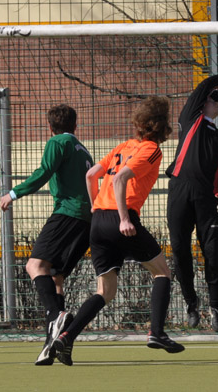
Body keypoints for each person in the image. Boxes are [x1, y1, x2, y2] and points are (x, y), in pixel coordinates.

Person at [51, 96, 183, 366]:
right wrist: (123, 218)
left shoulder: (123, 146)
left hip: (99, 220)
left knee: (106, 291)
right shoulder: (152, 150)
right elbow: (121, 178)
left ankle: (66, 337)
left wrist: (95, 207)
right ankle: (157, 333)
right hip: (119, 219)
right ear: (162, 126)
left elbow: (91, 175)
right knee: (162, 272)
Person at [0, 104, 93, 366]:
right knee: (56, 276)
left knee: (34, 265)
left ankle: (55, 315)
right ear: (76, 125)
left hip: (67, 213)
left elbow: (44, 172)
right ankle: (55, 343)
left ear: (50, 127)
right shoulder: (83, 149)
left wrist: (13, 193)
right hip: (87, 220)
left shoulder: (57, 142)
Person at [165, 72, 218, 331]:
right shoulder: (190, 119)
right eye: (211, 99)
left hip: (208, 199)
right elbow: (204, 85)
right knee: (179, 250)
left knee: (213, 254)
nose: (214, 103)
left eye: (216, 101)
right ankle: (191, 303)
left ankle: (217, 309)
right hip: (180, 191)